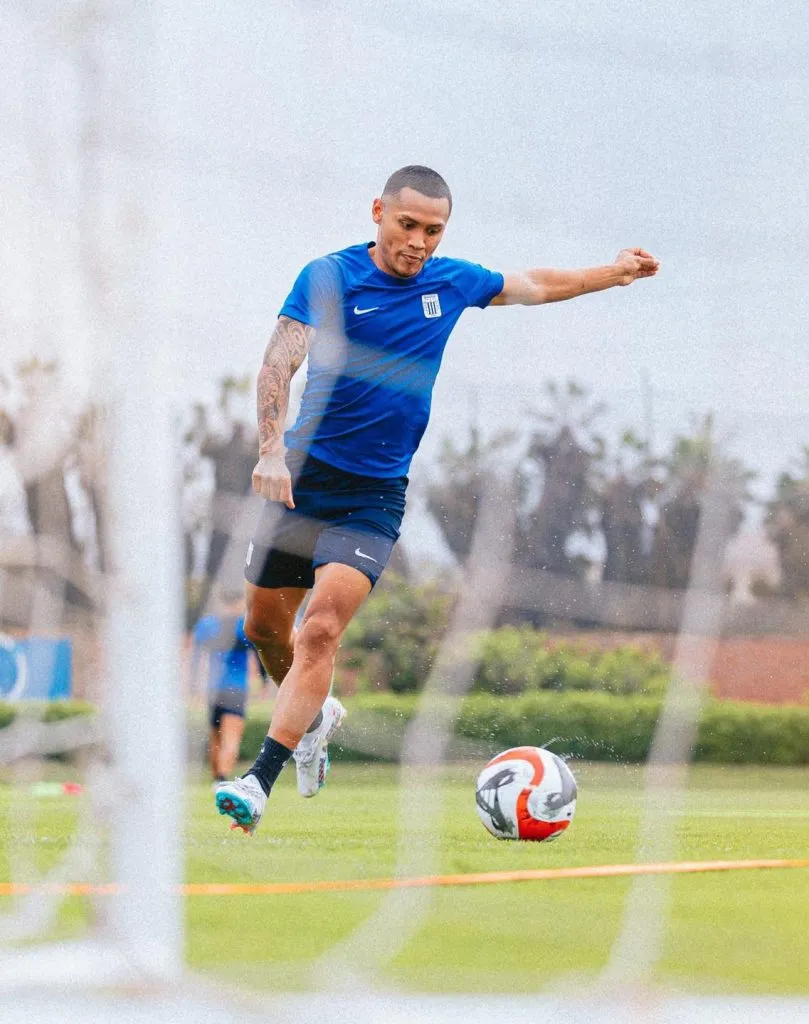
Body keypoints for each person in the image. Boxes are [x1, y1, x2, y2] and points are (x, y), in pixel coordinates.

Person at [215, 165, 659, 833]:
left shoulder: (450, 283)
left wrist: (612, 271)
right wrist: (271, 451)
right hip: (300, 482)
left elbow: (535, 284)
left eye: (432, 230)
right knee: (262, 630)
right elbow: (280, 361)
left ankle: (259, 779)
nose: (418, 241)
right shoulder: (329, 277)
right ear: (378, 213)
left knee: (321, 629)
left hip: (373, 497)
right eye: (407, 225)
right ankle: (313, 718)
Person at [192, 594, 268, 785]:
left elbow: (196, 655)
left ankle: (217, 779)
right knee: (231, 739)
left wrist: (194, 685)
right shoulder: (243, 625)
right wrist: (264, 680)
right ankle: (223, 779)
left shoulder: (207, 625)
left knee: (215, 737)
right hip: (236, 689)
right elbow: (259, 653)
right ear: (239, 601)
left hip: (214, 688)